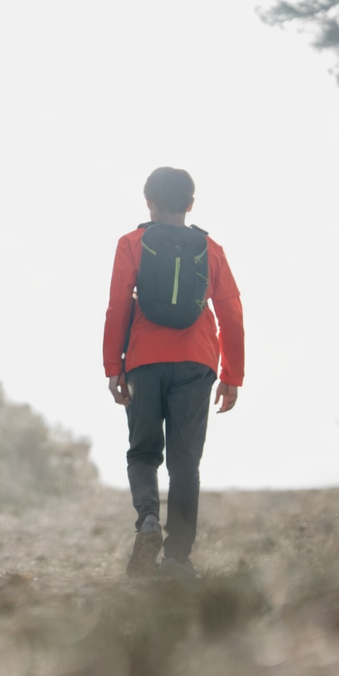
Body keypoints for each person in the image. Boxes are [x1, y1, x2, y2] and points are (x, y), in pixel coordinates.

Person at [102, 167, 244, 579]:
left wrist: (114, 365)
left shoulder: (132, 243)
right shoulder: (210, 247)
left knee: (144, 452)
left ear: (148, 201)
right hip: (197, 361)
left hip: (144, 360)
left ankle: (147, 519)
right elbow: (231, 312)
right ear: (191, 205)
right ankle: (178, 558)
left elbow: (117, 306)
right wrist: (233, 374)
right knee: (185, 463)